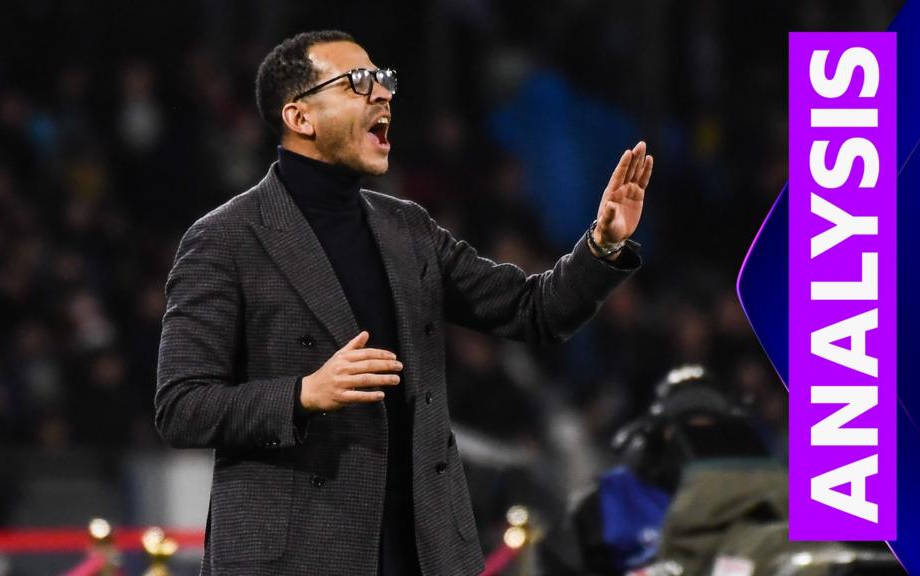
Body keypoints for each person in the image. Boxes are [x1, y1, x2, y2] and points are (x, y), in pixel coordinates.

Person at [155, 29, 654, 576]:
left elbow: (535, 310)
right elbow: (182, 407)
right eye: (358, 82)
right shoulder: (225, 239)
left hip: (423, 554)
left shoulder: (408, 229)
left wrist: (602, 244)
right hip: (298, 557)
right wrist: (303, 395)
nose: (382, 93)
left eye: (383, 79)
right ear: (300, 117)